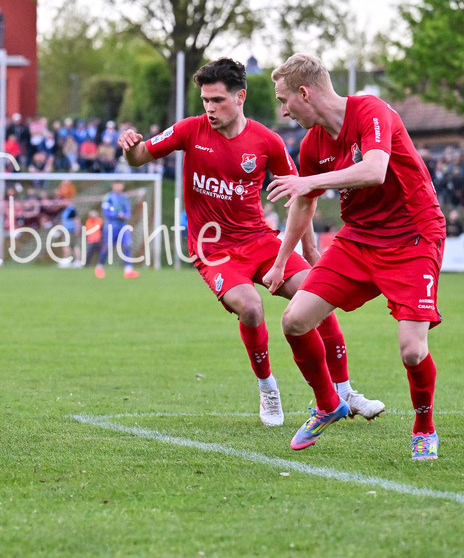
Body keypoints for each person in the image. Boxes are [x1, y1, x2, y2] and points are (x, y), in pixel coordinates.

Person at [119, 57, 383, 427]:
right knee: (251, 307)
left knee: (316, 293)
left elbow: (301, 196)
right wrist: (130, 146)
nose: (210, 108)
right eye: (205, 100)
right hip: (213, 249)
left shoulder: (267, 141)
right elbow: (140, 156)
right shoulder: (189, 130)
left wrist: (309, 248)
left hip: (260, 240)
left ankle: (344, 391)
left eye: (218, 100)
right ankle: (268, 388)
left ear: (240, 97)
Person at [264, 53, 444, 459]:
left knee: (412, 350)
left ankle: (424, 427)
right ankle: (328, 404)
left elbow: (375, 170)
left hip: (413, 236)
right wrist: (281, 261)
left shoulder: (370, 111)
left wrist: (308, 181)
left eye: (284, 100)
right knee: (294, 320)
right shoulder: (312, 143)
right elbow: (304, 202)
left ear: (304, 93)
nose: (283, 111)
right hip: (358, 239)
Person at [94, 181, 139, 279]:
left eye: (120, 185)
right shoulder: (108, 197)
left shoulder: (124, 197)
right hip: (111, 224)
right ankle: (99, 267)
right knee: (108, 246)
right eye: (117, 185)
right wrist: (116, 215)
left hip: (122, 224)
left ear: (122, 186)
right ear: (113, 186)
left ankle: (128, 270)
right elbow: (105, 211)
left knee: (127, 245)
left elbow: (128, 211)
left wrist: (125, 216)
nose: (118, 187)